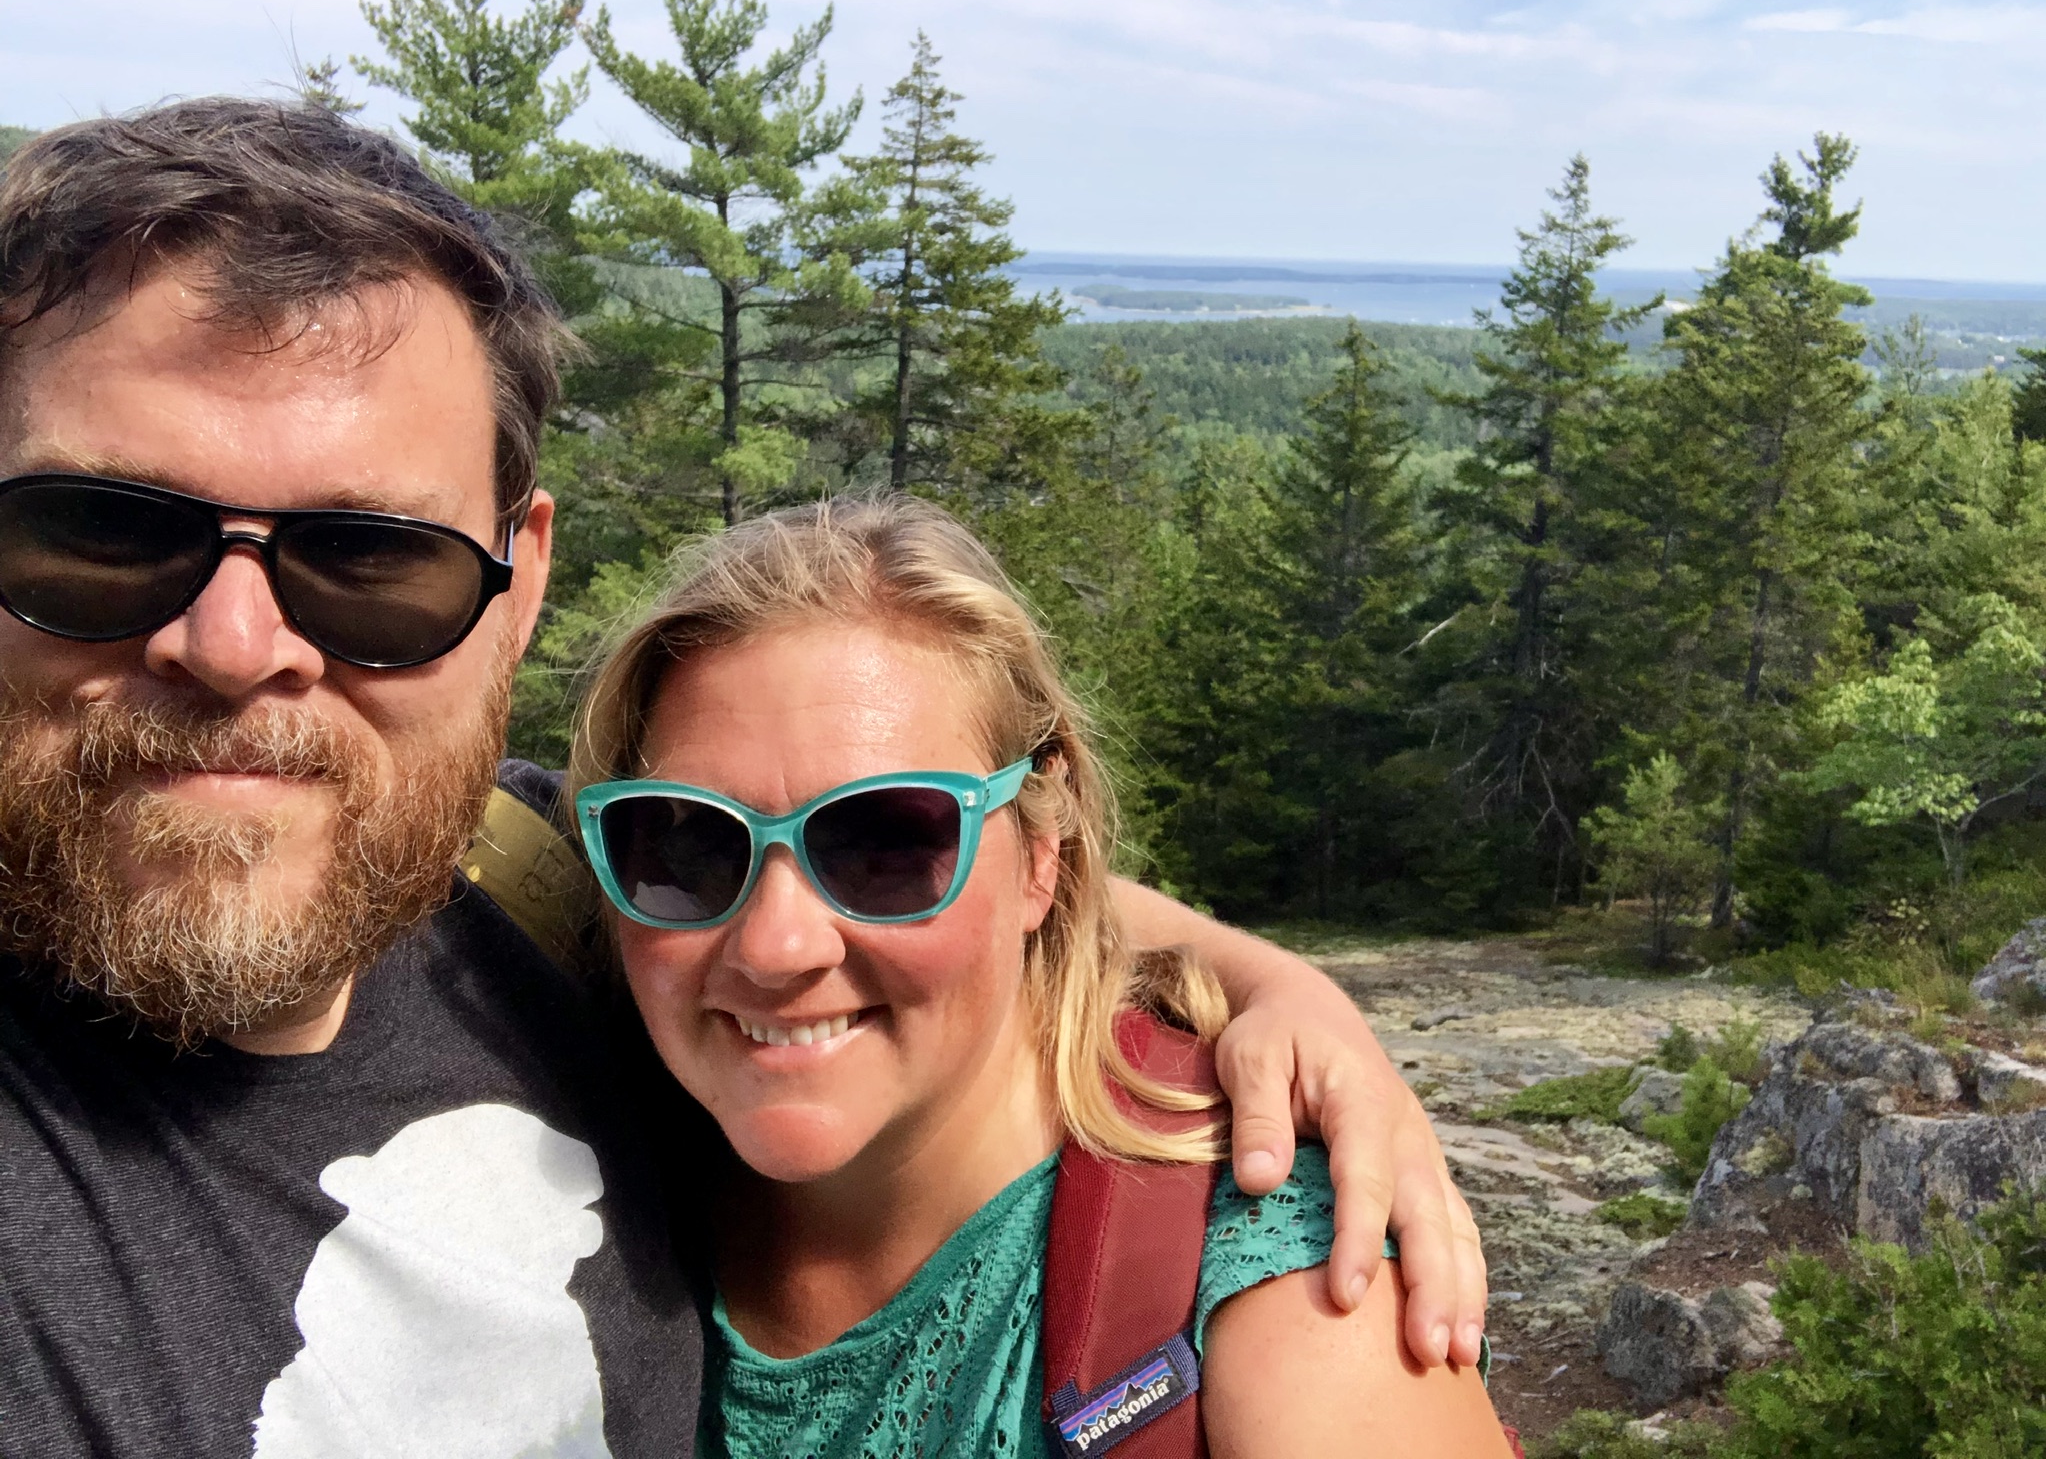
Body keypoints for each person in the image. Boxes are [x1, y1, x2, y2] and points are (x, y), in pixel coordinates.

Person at [0, 98, 1484, 1459]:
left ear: (520, 587)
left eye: (371, 560)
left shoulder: (511, 884)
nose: (235, 644)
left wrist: (1284, 995)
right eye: (97, 535)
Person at [568, 495, 1516, 1457]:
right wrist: (1280, 980)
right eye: (687, 845)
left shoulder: (1279, 1283)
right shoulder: (568, 1135)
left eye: (886, 843)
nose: (774, 946)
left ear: (1039, 852)